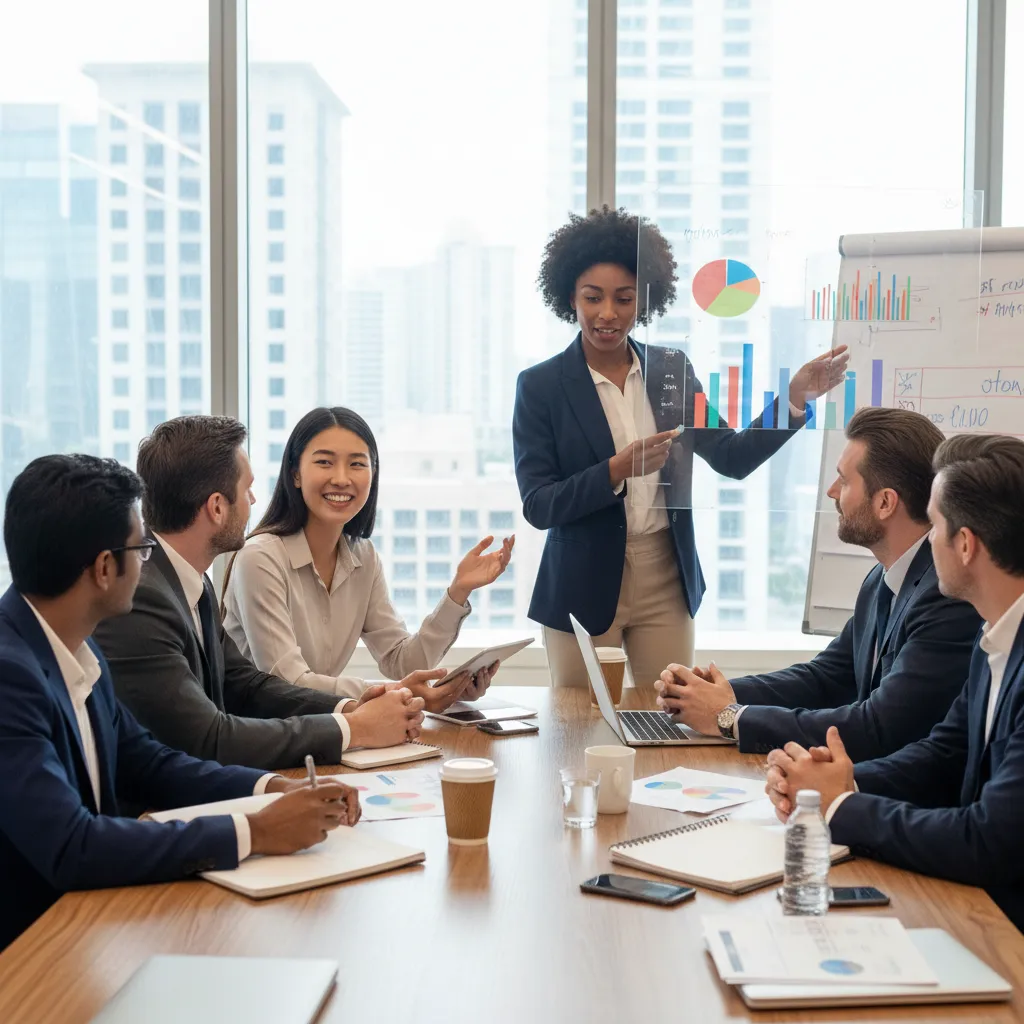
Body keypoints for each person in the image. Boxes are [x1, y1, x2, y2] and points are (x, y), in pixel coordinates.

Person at [0, 454, 360, 951]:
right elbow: (72, 844)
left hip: (88, 925)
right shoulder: (9, 677)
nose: (148, 560)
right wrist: (253, 831)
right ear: (105, 568)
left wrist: (269, 788)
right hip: (32, 953)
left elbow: (149, 763)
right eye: (141, 548)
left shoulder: (76, 647)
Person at [513, 206, 850, 690]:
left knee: (671, 718)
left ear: (642, 301)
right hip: (580, 583)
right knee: (578, 727)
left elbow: (731, 457)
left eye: (624, 299)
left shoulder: (671, 370)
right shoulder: (541, 386)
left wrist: (794, 399)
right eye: (593, 298)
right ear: (571, 296)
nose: (608, 313)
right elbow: (538, 504)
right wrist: (615, 469)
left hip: (665, 576)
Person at [764, 434, 1024, 933]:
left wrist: (841, 805)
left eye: (937, 526)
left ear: (965, 545)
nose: (928, 541)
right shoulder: (993, 633)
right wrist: (836, 783)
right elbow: (945, 752)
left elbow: (988, 840)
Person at [94, 416, 432, 771]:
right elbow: (210, 739)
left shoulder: (189, 582)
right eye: (246, 490)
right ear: (217, 507)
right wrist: (355, 728)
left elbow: (246, 685)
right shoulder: (143, 598)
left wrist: (350, 708)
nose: (253, 500)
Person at [654, 408, 981, 761]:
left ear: (885, 502)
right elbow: (826, 677)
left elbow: (878, 727)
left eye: (844, 480)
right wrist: (715, 694)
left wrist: (729, 716)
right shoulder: (882, 580)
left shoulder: (945, 595)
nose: (831, 491)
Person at [221, 407, 512, 707]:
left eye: (357, 464)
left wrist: (458, 591)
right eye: (324, 462)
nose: (341, 478)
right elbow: (287, 682)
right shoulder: (259, 559)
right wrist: (399, 691)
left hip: (321, 728)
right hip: (259, 737)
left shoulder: (363, 558)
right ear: (295, 473)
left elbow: (403, 662)